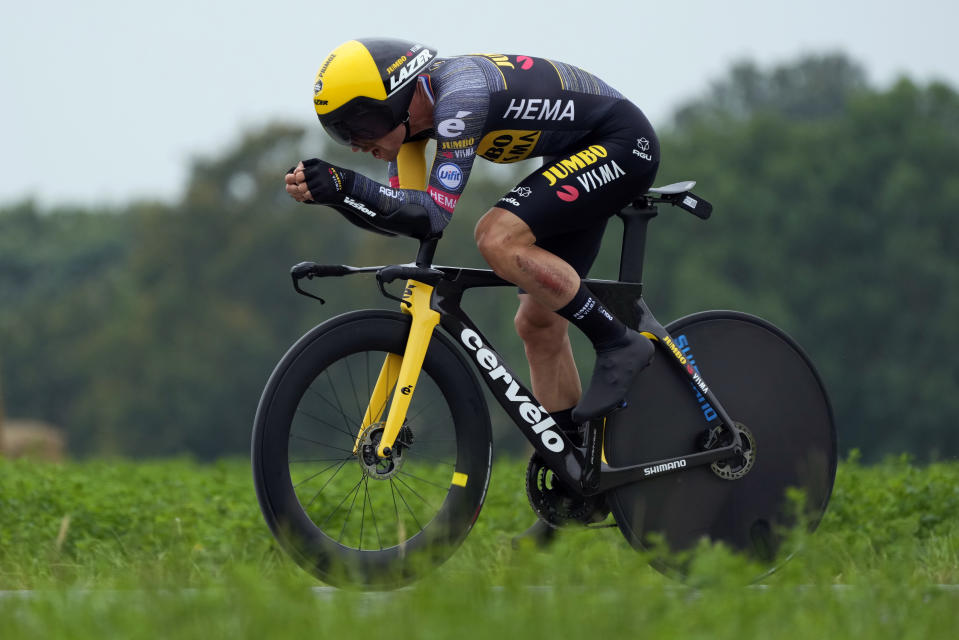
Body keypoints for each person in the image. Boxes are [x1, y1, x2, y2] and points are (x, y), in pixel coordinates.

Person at [285, 38, 660, 544]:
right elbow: (408, 221)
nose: (355, 144)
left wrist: (347, 184)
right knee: (537, 323)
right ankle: (576, 485)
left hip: (621, 143)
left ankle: (618, 342)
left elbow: (435, 212)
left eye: (362, 126)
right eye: (341, 133)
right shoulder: (414, 129)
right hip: (578, 154)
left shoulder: (460, 97)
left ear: (403, 94)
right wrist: (337, 193)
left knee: (495, 236)